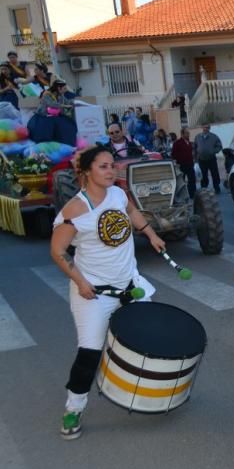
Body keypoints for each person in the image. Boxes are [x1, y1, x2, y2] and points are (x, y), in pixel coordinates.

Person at [49, 145, 165, 439]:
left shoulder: (118, 194)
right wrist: (80, 281)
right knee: (89, 352)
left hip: (130, 284)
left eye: (112, 165)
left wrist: (151, 234)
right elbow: (58, 251)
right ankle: (73, 408)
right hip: (94, 293)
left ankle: (143, 390)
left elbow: (132, 212)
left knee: (148, 337)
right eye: (103, 166)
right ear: (86, 172)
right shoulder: (75, 209)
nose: (111, 170)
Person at [28, 79, 77, 146]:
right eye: (64, 88)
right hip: (44, 117)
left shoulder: (60, 95)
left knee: (69, 124)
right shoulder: (47, 94)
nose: (65, 90)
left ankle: (67, 144)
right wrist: (65, 106)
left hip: (56, 116)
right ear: (59, 88)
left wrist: (74, 102)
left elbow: (67, 101)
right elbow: (52, 104)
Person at [195, 124, 223, 193]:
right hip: (201, 159)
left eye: (207, 127)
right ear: (202, 127)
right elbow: (194, 147)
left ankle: (216, 188)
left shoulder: (214, 137)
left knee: (215, 174)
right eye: (204, 127)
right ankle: (204, 189)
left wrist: (213, 151)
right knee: (203, 175)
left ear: (209, 128)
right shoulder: (198, 137)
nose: (205, 129)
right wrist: (196, 156)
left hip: (211, 159)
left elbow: (219, 146)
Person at [172, 126, 197, 199]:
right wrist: (179, 161)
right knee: (181, 181)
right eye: (187, 133)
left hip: (189, 164)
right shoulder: (177, 143)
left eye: (188, 133)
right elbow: (173, 154)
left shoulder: (189, 142)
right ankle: (181, 196)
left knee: (192, 179)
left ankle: (192, 194)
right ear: (182, 134)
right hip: (181, 165)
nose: (188, 134)